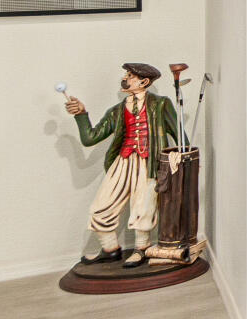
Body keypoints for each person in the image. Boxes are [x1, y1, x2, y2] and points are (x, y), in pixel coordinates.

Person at [65, 62, 179, 267]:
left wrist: (183, 161)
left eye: (130, 75)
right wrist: (80, 114)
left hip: (150, 161)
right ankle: (110, 250)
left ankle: (142, 249)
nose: (125, 78)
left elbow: (178, 135)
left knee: (144, 205)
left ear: (144, 81)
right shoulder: (116, 111)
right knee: (101, 206)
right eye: (126, 74)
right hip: (123, 161)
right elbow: (90, 138)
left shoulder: (161, 104)